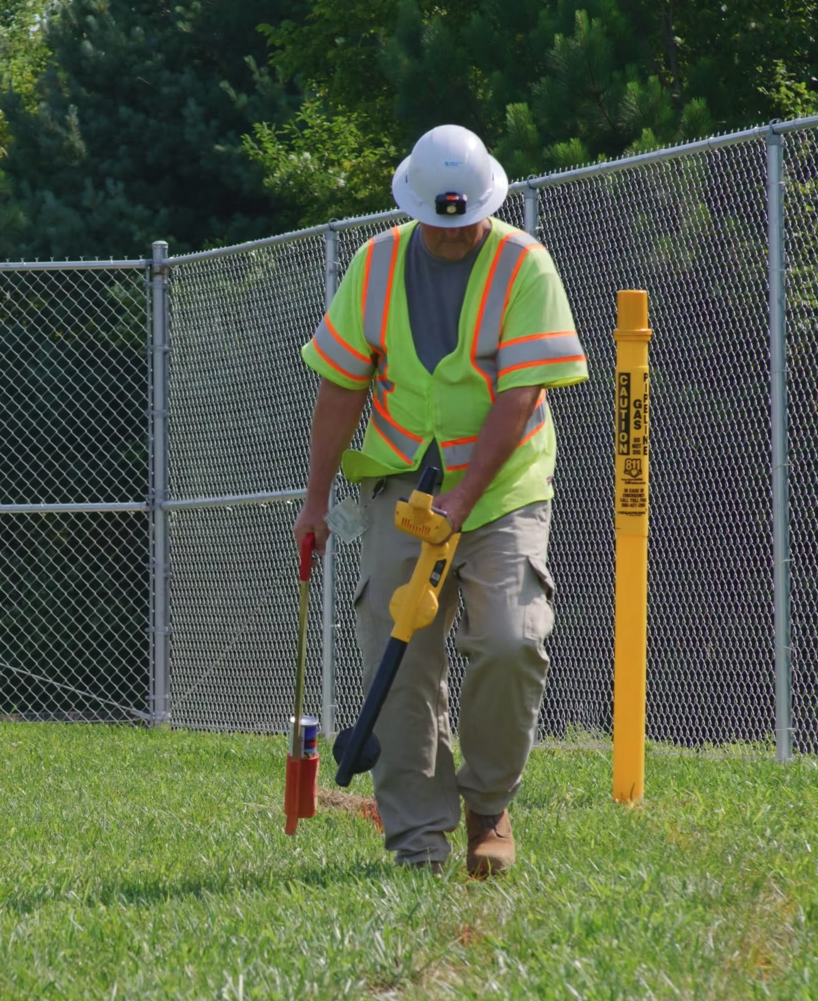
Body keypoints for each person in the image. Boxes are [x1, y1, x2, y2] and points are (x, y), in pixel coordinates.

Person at [292, 125, 587, 877]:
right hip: (401, 485)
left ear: (487, 203)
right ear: (415, 208)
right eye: (439, 222)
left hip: (502, 490)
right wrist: (315, 498)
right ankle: (418, 839)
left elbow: (520, 396)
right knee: (399, 650)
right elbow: (340, 386)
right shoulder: (376, 264)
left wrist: (460, 500)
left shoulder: (526, 266)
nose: (452, 236)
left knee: (511, 638)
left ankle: (489, 803)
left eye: (465, 222)